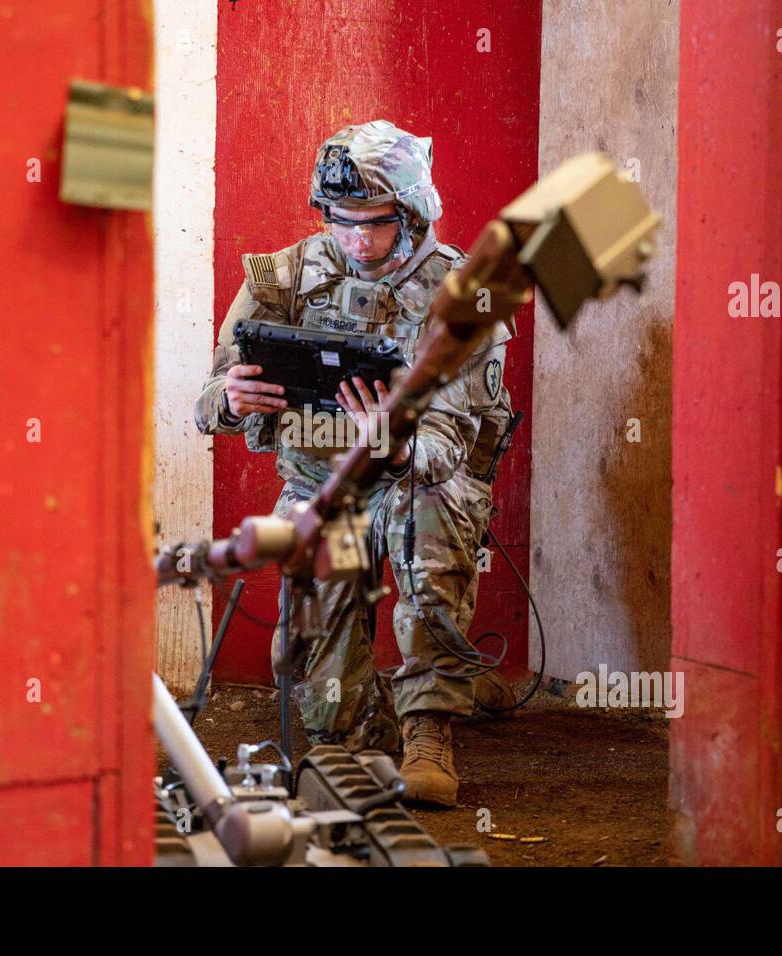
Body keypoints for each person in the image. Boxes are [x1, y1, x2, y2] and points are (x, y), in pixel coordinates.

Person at [193, 120, 513, 807]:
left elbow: (450, 446)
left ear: (412, 213)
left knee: (431, 514)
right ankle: (346, 736)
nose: (356, 241)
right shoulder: (281, 277)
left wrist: (392, 442)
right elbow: (205, 402)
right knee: (316, 604)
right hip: (320, 482)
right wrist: (235, 398)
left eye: (373, 224)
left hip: (416, 481)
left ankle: (429, 727)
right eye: (340, 223)